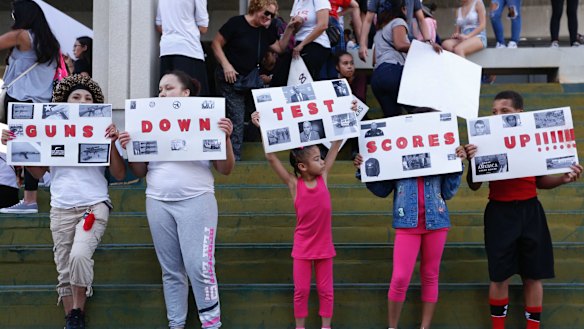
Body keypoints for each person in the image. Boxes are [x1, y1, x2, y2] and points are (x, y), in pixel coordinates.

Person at [2, 74, 126, 329]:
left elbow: (120, 173)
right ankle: (73, 318)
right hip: (60, 207)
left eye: (88, 98)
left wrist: (112, 143)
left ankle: (79, 310)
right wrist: (21, 147)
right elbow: (39, 173)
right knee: (64, 267)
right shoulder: (52, 131)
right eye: (76, 97)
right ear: (65, 102)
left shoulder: (102, 130)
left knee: (79, 256)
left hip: (94, 204)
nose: (83, 101)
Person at [118, 70, 235, 329]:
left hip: (197, 200)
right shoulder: (146, 123)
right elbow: (139, 172)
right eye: (160, 89)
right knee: (171, 270)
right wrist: (130, 148)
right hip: (157, 201)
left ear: (186, 93)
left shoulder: (207, 120)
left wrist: (225, 137)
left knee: (200, 266)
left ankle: (211, 324)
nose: (162, 93)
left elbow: (225, 169)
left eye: (169, 88)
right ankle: (176, 324)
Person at [464, 90, 583, 329]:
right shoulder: (484, 142)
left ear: (520, 113)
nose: (497, 116)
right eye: (494, 112)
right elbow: (474, 185)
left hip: (530, 211)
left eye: (504, 111)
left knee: (533, 275)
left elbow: (540, 181)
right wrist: (473, 161)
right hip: (499, 213)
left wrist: (564, 179)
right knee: (499, 276)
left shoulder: (532, 140)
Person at [354, 107, 468, 329]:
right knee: (400, 277)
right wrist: (365, 168)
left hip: (437, 221)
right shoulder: (395, 155)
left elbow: (448, 193)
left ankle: (424, 327)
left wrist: (457, 164)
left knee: (430, 275)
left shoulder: (441, 151)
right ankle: (392, 326)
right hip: (407, 222)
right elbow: (381, 189)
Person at [251, 110, 342, 329]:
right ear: (302, 167)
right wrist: (262, 127)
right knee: (301, 290)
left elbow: (337, 144)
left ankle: (326, 326)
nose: (322, 162)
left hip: (324, 246)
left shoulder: (324, 177)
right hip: (302, 247)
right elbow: (271, 157)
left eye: (321, 158)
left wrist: (345, 114)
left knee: (326, 290)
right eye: (317, 159)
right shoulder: (294, 184)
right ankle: (299, 327)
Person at [212, 0, 299, 160]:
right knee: (237, 119)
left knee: (263, 113)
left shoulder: (267, 30)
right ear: (256, 8)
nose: (269, 17)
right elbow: (216, 43)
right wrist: (226, 65)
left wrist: (290, 29)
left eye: (272, 15)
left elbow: (279, 48)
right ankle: (234, 161)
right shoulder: (236, 23)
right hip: (230, 79)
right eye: (266, 13)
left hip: (251, 80)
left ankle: (262, 150)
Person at [0, 0, 60, 214]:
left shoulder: (21, 35)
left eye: (14, 14)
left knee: (24, 149)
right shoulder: (49, 42)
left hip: (21, 100)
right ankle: (32, 196)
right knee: (31, 147)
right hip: (41, 102)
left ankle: (31, 199)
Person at [370, 0, 439, 118]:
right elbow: (400, 45)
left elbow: (373, 61)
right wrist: (424, 47)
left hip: (377, 79)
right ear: (402, 9)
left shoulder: (380, 31)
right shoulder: (398, 22)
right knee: (424, 111)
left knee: (393, 119)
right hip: (392, 71)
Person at [156, 0, 210, 95]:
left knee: (166, 94)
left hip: (166, 49)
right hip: (189, 49)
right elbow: (203, 27)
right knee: (194, 96)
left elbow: (159, 26)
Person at [358, 0, 440, 62]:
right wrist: (362, 45)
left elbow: (421, 19)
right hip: (384, 42)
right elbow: (368, 20)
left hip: (405, 40)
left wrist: (428, 41)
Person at [289, 0, 332, 80]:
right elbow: (293, 30)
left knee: (308, 77)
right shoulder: (297, 1)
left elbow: (323, 25)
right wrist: (298, 23)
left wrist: (302, 45)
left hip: (316, 42)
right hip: (298, 43)